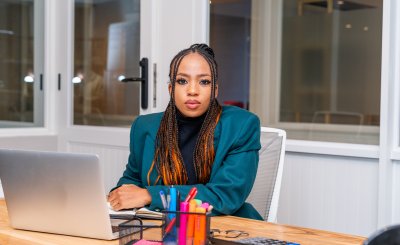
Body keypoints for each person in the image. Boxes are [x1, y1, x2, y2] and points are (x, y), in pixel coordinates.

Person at [108, 43, 262, 220]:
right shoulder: (144, 126)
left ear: (215, 90)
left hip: (225, 227)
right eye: (182, 81)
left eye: (204, 82)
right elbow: (131, 181)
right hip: (159, 227)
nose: (192, 91)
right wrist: (120, 195)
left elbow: (225, 195)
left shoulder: (241, 125)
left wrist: (150, 195)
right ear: (170, 89)